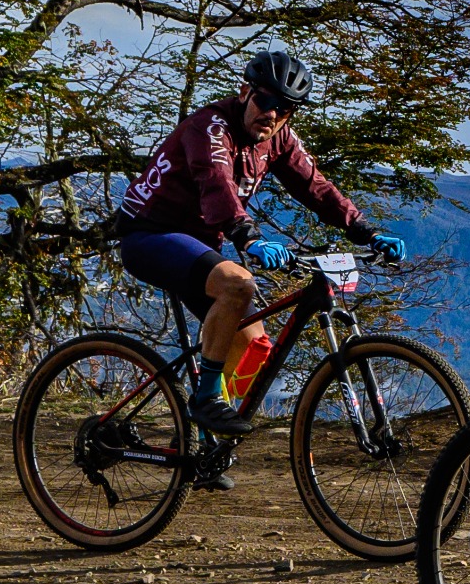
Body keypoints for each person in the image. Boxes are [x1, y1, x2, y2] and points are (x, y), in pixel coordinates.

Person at [116, 50, 405, 449]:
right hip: (149, 235)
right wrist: (248, 237)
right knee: (238, 284)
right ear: (244, 92)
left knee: (254, 346)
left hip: (200, 244)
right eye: (265, 101)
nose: (272, 114)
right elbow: (215, 183)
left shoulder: (279, 138)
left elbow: (316, 187)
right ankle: (206, 401)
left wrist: (366, 230)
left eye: (285, 109)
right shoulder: (210, 128)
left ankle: (200, 442)